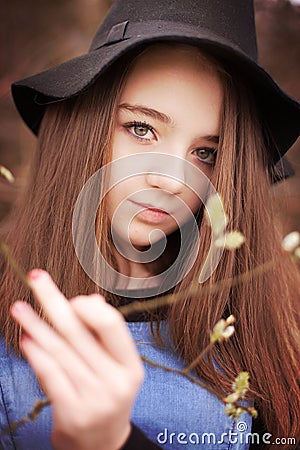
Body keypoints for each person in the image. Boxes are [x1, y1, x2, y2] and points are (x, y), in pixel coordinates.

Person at [0, 0, 299, 449]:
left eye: (206, 153)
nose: (172, 179)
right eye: (141, 129)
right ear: (85, 127)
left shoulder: (268, 346)